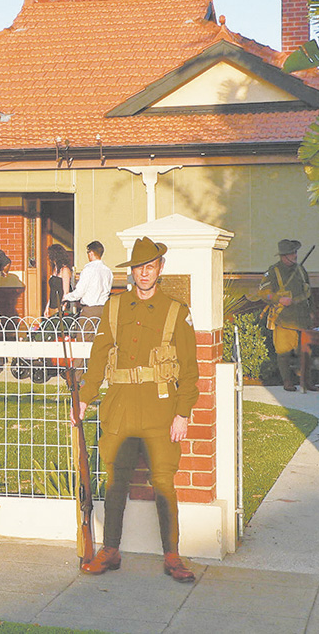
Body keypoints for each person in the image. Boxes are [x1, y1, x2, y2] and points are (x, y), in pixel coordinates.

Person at [74, 237, 199, 583]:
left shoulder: (176, 311)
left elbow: (190, 369)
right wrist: (84, 397)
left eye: (150, 267)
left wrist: (183, 412)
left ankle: (172, 555)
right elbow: (98, 357)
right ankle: (110, 550)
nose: (144, 273)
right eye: (139, 268)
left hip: (161, 409)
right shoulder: (114, 307)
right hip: (121, 408)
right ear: (132, 271)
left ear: (160, 269)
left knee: (163, 483)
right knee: (115, 482)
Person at [258, 239, 319, 392]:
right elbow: (263, 293)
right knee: (283, 353)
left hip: (302, 318)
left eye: (295, 252)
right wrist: (278, 299)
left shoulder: (301, 270)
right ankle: (287, 381)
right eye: (292, 253)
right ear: (283, 256)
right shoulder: (273, 271)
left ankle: (307, 381)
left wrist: (312, 311)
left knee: (306, 353)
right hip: (283, 319)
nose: (295, 255)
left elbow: (308, 292)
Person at [63, 240, 113, 322]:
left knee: (84, 330)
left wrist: (66, 297)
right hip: (103, 309)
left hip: (90, 310)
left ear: (91, 253)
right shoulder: (108, 271)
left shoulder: (88, 269)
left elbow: (80, 292)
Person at [43, 244, 73, 317]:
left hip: (60, 305)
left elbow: (66, 291)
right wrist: (47, 307)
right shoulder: (55, 270)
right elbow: (52, 290)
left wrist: (63, 306)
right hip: (52, 304)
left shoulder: (65, 270)